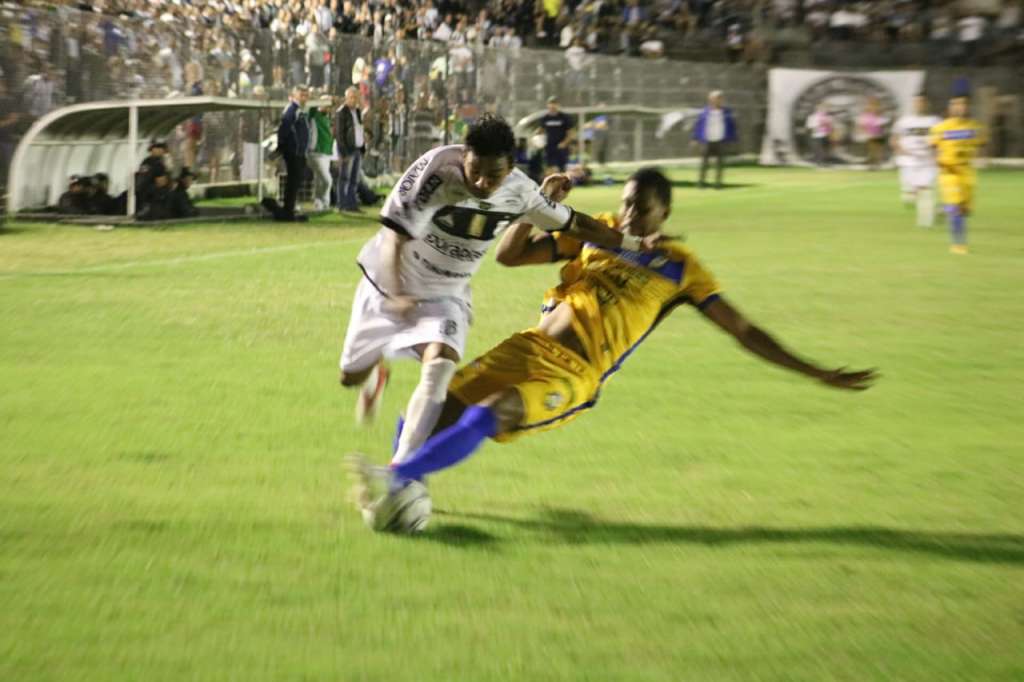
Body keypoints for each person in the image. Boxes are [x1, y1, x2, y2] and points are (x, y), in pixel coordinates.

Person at [350, 168, 878, 525]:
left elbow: (743, 331)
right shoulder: (597, 232)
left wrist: (814, 372)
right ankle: (408, 479)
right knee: (433, 410)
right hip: (525, 347)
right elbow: (512, 256)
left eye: (641, 209)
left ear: (664, 213)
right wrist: (543, 205)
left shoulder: (682, 270)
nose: (628, 216)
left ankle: (398, 479)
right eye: (625, 204)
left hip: (572, 374)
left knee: (493, 413)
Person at [338, 115, 664, 472]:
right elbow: (392, 239)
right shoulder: (434, 170)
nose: (481, 182)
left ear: (510, 168)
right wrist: (396, 293)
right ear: (464, 154)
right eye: (475, 170)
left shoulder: (521, 190)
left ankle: (401, 471)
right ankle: (373, 372)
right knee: (349, 376)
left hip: (447, 294)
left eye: (493, 176)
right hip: (391, 280)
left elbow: (577, 224)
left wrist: (633, 242)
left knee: (440, 367)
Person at [930, 87, 986, 255]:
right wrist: (939, 162)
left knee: (964, 211)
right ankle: (958, 244)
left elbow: (982, 145)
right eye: (956, 104)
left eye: (963, 104)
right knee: (956, 209)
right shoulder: (940, 128)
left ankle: (943, 208)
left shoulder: (975, 128)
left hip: (967, 173)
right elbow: (933, 148)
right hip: (949, 172)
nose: (959, 107)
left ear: (968, 106)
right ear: (950, 107)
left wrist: (983, 158)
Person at [890, 94, 941, 228]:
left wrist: (938, 152)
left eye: (922, 102)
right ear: (913, 104)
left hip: (928, 161)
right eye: (917, 102)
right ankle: (936, 208)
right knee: (909, 197)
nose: (919, 104)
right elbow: (894, 139)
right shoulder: (904, 121)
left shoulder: (935, 121)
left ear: (927, 104)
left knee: (925, 189)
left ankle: (926, 222)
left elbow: (942, 140)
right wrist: (899, 150)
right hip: (908, 161)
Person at [274, 85, 311, 222]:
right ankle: (287, 211)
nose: (304, 98)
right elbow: (283, 130)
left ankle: (289, 209)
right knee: (293, 182)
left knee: (295, 182)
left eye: (306, 95)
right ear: (294, 95)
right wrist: (283, 148)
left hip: (299, 152)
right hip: (294, 152)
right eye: (302, 95)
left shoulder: (300, 110)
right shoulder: (292, 110)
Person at [692, 90, 738, 188]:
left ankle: (718, 183)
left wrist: (733, 139)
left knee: (720, 164)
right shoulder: (704, 112)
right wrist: (695, 138)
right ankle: (701, 182)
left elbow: (732, 125)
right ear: (710, 99)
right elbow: (698, 125)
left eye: (718, 98)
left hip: (721, 141)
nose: (716, 100)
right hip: (707, 140)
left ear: (721, 100)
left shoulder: (726, 112)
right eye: (714, 98)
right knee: (704, 163)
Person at [335, 86, 366, 212]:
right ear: (346, 98)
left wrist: (363, 148)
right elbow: (339, 134)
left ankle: (352, 204)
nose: (354, 100)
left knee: (354, 179)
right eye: (351, 97)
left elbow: (359, 130)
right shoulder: (341, 112)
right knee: (344, 178)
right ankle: (342, 204)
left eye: (356, 97)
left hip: (357, 149)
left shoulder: (357, 112)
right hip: (348, 150)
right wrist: (343, 152)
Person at [307, 94, 335, 211]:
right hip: (316, 153)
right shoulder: (314, 115)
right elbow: (311, 107)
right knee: (327, 180)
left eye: (329, 105)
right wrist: (319, 100)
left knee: (320, 180)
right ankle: (321, 201)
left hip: (326, 153)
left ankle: (322, 204)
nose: (328, 107)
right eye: (326, 105)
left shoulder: (328, 118)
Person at [538, 96, 575, 173]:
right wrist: (537, 140)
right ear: (548, 105)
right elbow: (540, 131)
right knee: (550, 168)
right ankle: (551, 184)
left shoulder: (564, 118)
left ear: (558, 105)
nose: (553, 106)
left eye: (555, 103)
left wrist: (564, 143)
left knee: (562, 169)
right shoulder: (545, 118)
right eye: (551, 103)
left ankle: (562, 184)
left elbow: (570, 133)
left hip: (561, 147)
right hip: (549, 147)